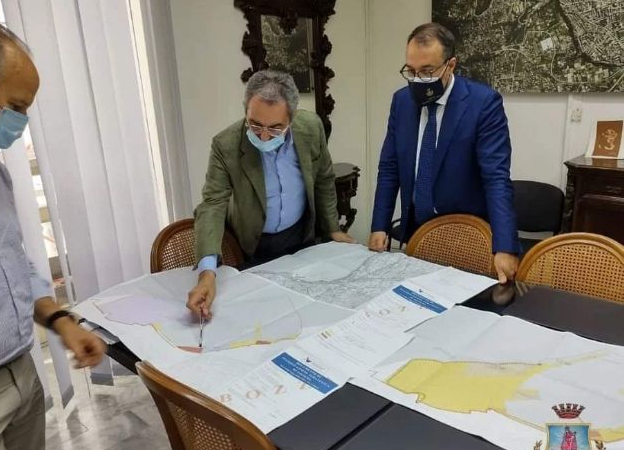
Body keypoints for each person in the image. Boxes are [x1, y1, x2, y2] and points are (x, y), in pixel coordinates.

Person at [0, 19, 106, 450]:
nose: (20, 123)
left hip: (21, 371)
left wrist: (61, 320)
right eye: (16, 107)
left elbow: (15, 262)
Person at [187, 70, 354, 318]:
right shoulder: (226, 145)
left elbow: (323, 179)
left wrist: (332, 229)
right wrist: (207, 273)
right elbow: (212, 204)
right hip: (254, 244)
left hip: (301, 238)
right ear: (246, 111)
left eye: (276, 129)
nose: (264, 137)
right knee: (262, 316)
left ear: (291, 119)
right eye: (255, 125)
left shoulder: (311, 128)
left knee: (305, 314)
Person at [368, 22, 520, 283]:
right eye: (411, 71)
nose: (418, 79)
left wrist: (505, 246)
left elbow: (496, 178)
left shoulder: (483, 103)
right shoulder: (402, 102)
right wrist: (379, 225)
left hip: (467, 233)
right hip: (416, 230)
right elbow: (390, 168)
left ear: (450, 65)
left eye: (427, 71)